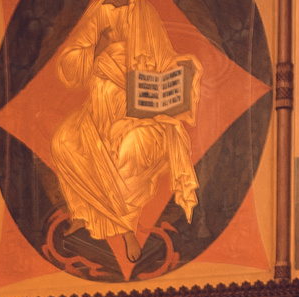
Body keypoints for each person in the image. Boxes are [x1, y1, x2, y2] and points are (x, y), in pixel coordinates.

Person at [47, 0, 200, 278]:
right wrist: (97, 49)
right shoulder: (98, 12)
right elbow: (68, 69)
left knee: (132, 149)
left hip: (139, 112)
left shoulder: (145, 13)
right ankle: (92, 214)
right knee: (63, 141)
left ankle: (125, 227)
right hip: (97, 109)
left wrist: (182, 72)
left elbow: (164, 60)